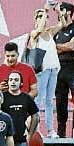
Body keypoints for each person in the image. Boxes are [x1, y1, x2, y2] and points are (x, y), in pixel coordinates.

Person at [27, 7, 60, 137]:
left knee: (49, 101)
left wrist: (57, 11)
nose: (43, 19)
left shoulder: (50, 32)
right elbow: (39, 29)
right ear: (35, 19)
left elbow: (61, 24)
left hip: (53, 68)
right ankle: (36, 127)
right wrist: (45, 11)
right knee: (39, 99)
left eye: (45, 17)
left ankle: (50, 129)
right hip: (42, 70)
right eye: (40, 17)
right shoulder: (34, 33)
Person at [2, 72, 40, 146]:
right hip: (4, 141)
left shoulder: (26, 98)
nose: (13, 82)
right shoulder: (2, 98)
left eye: (16, 80)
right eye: (11, 80)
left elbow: (35, 116)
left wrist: (30, 134)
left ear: (21, 83)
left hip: (20, 140)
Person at [52, 2, 74, 138]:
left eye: (60, 10)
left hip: (73, 68)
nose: (57, 12)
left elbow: (71, 46)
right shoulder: (57, 29)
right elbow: (50, 46)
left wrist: (57, 47)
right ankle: (61, 134)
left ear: (68, 12)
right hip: (58, 69)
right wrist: (60, 47)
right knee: (60, 102)